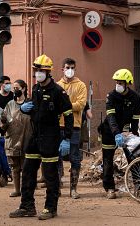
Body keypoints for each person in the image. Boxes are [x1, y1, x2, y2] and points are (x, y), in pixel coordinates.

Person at [9, 54, 73, 220]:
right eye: (36, 70)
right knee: (28, 172)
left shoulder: (58, 91)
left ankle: (50, 208)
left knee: (50, 175)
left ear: (48, 72)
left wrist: (67, 138)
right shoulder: (36, 89)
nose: (37, 73)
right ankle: (27, 206)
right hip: (35, 135)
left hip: (51, 137)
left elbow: (68, 114)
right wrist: (25, 109)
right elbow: (35, 109)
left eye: (41, 70)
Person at [98, 69, 140, 199]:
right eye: (116, 82)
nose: (117, 84)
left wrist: (134, 135)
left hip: (126, 132)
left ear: (127, 83)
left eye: (120, 82)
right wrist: (117, 134)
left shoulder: (135, 98)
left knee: (133, 158)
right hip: (109, 131)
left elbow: (135, 119)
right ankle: (110, 188)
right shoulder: (111, 96)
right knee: (107, 160)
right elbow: (111, 117)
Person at [57, 58, 87, 199]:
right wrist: (67, 106)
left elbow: (80, 104)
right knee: (55, 157)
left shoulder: (80, 85)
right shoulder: (57, 85)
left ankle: (73, 189)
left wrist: (64, 106)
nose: (70, 70)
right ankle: (56, 186)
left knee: (75, 158)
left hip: (74, 126)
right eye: (67, 67)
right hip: (58, 126)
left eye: (72, 67)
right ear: (62, 69)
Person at [0, 79, 32, 197]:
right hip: (13, 139)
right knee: (15, 166)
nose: (15, 90)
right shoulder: (10, 105)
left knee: (26, 167)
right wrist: (3, 121)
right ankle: (16, 189)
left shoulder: (30, 103)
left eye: (17, 88)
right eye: (14, 88)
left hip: (26, 139)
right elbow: (3, 122)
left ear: (23, 89)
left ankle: (26, 190)